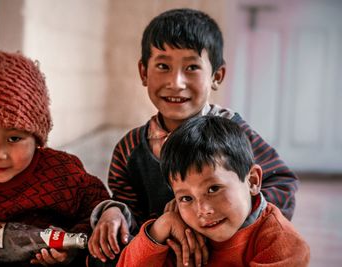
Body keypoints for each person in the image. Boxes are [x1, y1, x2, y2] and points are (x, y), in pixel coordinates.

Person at [88, 8, 298, 265]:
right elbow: (130, 208)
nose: (176, 82)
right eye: (163, 66)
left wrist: (216, 220)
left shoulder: (232, 133)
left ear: (216, 76)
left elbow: (282, 185)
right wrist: (114, 212)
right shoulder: (130, 148)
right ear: (144, 72)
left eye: (191, 67)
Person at [0, 50, 110, 266]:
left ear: (37, 137)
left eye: (13, 138)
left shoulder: (62, 171)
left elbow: (99, 209)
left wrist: (70, 248)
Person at [116, 115, 310, 266]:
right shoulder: (184, 229)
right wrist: (159, 228)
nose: (203, 210)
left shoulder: (282, 243)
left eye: (214, 188)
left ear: (252, 181)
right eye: (186, 198)